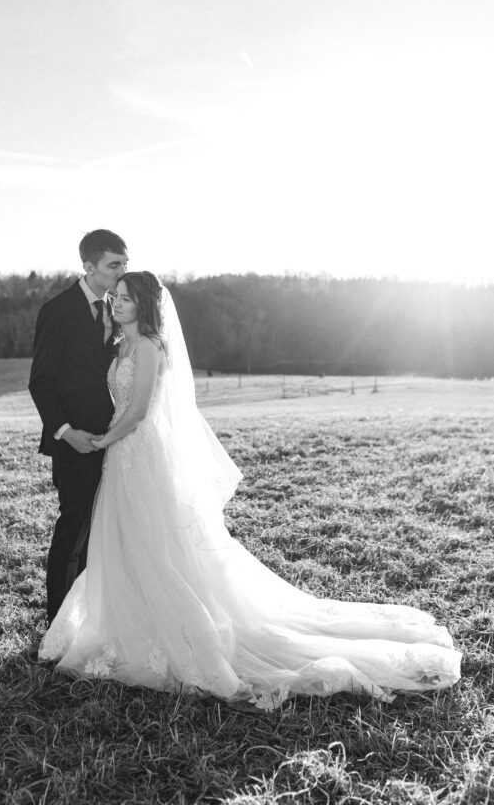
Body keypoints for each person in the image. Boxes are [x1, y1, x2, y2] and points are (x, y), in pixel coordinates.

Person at [38, 270, 461, 710]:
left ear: (144, 305)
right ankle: (126, 626)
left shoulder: (148, 347)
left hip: (138, 452)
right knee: (128, 542)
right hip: (123, 458)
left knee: (157, 545)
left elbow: (140, 410)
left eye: (126, 298)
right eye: (116, 296)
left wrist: (104, 440)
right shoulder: (121, 343)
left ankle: (178, 632)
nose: (117, 303)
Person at [28, 229, 128, 626]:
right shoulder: (57, 311)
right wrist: (66, 431)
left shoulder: (117, 308)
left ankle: (89, 618)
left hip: (113, 440)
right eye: (114, 265)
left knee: (102, 532)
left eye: (125, 263)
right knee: (74, 528)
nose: (122, 272)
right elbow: (41, 382)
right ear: (88, 267)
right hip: (74, 442)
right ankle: (57, 623)